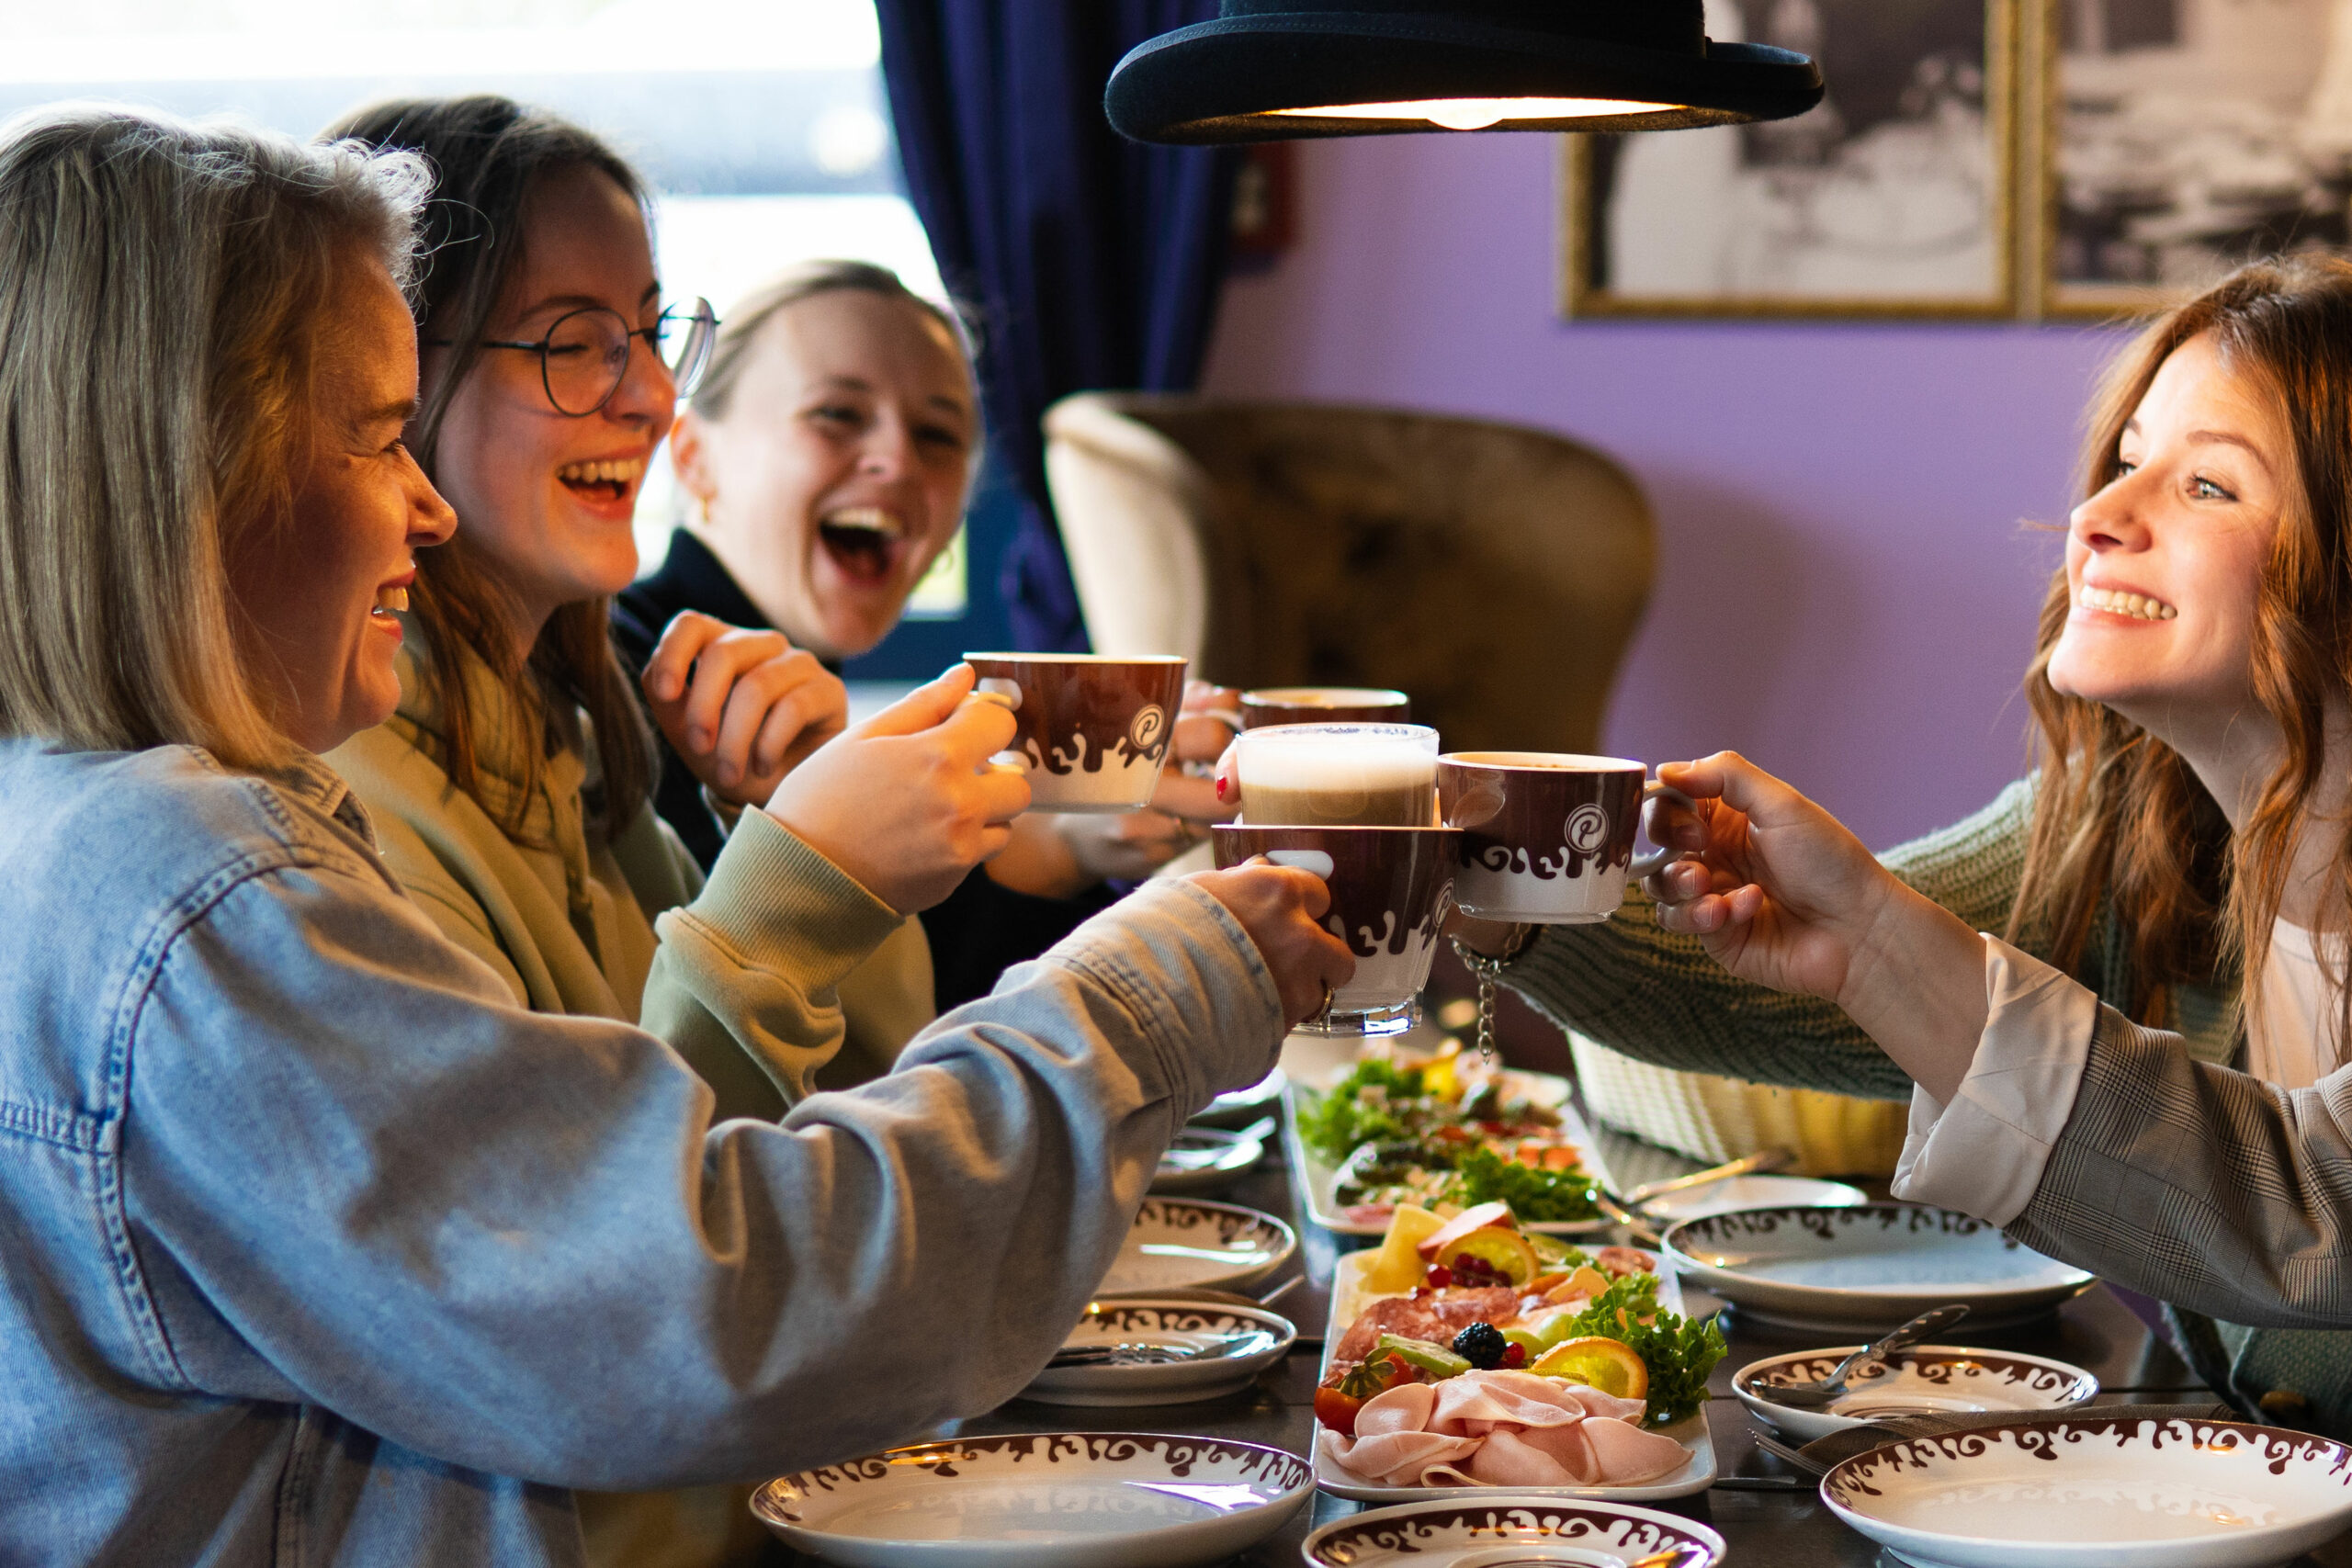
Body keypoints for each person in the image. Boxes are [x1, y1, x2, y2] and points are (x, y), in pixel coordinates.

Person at [0, 106, 1353, 1567]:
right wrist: (1142, 994)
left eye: (651, 332)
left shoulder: (160, 819)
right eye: (383, 434)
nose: (426, 507)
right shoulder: (204, 894)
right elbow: (702, 1302)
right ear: (190, 463)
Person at [1460, 254, 2352, 1431]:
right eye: (2130, 461)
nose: (2095, 518)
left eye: (2207, 489)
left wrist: (1880, 944)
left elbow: (2311, 1210)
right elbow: (1759, 985)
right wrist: (1451, 852)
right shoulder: (2130, 830)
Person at [315, 96, 933, 1113]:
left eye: (650, 330)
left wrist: (787, 812)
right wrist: (804, 876)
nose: (651, 392)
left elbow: (859, 1116)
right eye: (572, 342)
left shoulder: (580, 736)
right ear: (392, 379)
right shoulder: (347, 806)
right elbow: (621, 1223)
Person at [614, 260, 1219, 1015]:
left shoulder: (814, 708)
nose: (898, 462)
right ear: (694, 457)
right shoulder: (628, 679)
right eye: (837, 413)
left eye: (938, 434)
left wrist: (1075, 837)